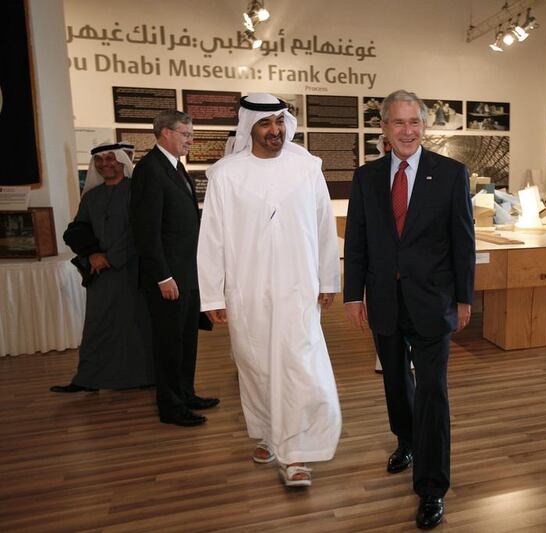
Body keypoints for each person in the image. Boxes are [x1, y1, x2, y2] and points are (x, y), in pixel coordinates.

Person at [343, 89, 475, 530]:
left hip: (432, 303)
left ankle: (432, 487)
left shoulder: (451, 174)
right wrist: (350, 294)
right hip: (383, 300)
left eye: (414, 122)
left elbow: (463, 242)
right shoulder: (367, 178)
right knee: (397, 384)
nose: (407, 131)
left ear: (424, 126)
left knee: (433, 393)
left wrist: (464, 299)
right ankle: (406, 440)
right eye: (398, 123)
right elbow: (357, 242)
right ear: (384, 128)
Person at [197, 93, 342, 487]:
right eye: (265, 124)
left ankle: (297, 453)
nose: (275, 131)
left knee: (300, 367)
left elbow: (324, 225)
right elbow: (211, 239)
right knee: (256, 365)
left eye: (279, 122)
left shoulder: (308, 167)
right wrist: (212, 295)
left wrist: (329, 279)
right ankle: (267, 434)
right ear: (249, 127)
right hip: (248, 290)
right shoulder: (226, 174)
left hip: (299, 288)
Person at [130, 110, 219, 427]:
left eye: (190, 133)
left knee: (186, 340)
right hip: (168, 277)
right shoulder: (150, 170)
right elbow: (146, 231)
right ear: (164, 133)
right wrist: (163, 276)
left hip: (187, 273)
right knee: (169, 344)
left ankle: (186, 393)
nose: (190, 139)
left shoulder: (175, 168)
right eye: (185, 133)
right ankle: (171, 406)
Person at [52, 142, 153, 393]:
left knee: (135, 325)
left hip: (131, 270)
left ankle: (142, 377)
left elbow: (140, 232)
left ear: (122, 161)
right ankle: (88, 379)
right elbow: (78, 229)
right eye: (100, 160)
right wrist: (92, 254)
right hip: (99, 273)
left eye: (111, 158)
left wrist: (111, 257)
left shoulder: (137, 192)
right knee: (98, 325)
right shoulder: (92, 197)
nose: (105, 164)